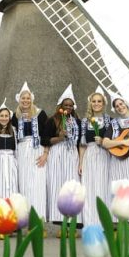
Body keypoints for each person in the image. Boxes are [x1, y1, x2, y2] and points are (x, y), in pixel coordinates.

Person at [43, 84, 82, 227]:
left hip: (72, 155)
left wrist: (80, 161)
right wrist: (59, 137)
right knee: (58, 185)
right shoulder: (52, 120)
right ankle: (59, 221)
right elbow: (45, 139)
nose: (68, 108)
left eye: (71, 106)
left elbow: (79, 143)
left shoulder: (77, 122)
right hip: (58, 154)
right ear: (61, 106)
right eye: (66, 105)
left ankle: (73, 221)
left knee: (72, 186)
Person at [11, 82, 48, 220]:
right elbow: (6, 130)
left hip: (37, 150)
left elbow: (46, 135)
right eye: (23, 98)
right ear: (18, 100)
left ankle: (39, 220)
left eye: (28, 98)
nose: (25, 100)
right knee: (24, 185)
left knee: (38, 185)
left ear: (32, 99)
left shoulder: (40, 114)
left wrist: (45, 153)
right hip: (21, 151)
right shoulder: (14, 116)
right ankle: (25, 220)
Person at [78, 89, 112, 226]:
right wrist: (81, 163)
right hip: (90, 156)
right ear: (90, 103)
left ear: (103, 104)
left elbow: (114, 141)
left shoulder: (110, 120)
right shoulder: (85, 122)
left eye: (99, 101)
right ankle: (90, 223)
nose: (96, 104)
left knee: (103, 187)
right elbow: (82, 145)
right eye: (94, 101)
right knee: (89, 188)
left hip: (105, 155)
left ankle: (104, 223)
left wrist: (103, 141)